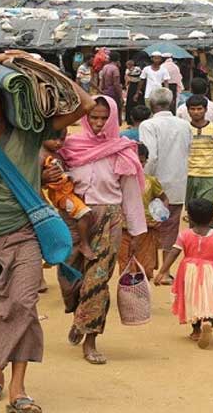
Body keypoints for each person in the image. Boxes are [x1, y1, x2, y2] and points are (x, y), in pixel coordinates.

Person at [0, 51, 93, 411]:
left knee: (22, 306)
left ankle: (18, 388)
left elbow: (85, 103)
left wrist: (41, 68)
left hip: (25, 233)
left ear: (4, 105)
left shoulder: (29, 134)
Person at [56, 95, 147, 365]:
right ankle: (79, 314)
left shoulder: (122, 150)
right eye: (93, 117)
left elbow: (130, 195)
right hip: (72, 216)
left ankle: (90, 340)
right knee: (69, 275)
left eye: (103, 119)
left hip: (109, 219)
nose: (97, 123)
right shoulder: (69, 146)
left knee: (97, 281)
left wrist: (136, 233)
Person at [154, 198, 213, 349]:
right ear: (212, 218)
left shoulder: (184, 235)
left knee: (192, 299)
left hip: (189, 271)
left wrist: (162, 271)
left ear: (189, 218)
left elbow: (173, 253)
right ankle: (209, 322)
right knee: (210, 299)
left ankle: (196, 330)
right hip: (211, 271)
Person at [139, 87, 193, 285]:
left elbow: (150, 156)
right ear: (170, 103)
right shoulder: (184, 125)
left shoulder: (148, 125)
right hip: (178, 181)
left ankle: (149, 268)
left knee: (149, 227)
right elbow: (189, 150)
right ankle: (165, 271)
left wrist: (146, 181)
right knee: (171, 228)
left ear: (151, 105)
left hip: (154, 183)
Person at [117, 143, 168, 280]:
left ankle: (142, 296)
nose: (136, 164)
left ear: (145, 162)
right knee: (125, 266)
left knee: (144, 266)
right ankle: (128, 298)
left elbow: (164, 199)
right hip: (123, 229)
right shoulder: (117, 181)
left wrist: (160, 217)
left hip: (146, 229)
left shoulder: (151, 182)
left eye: (140, 161)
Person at [40, 129, 93, 260]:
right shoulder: (40, 156)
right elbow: (34, 182)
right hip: (62, 197)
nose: (58, 143)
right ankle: (84, 244)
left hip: (68, 193)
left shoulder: (56, 154)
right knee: (85, 214)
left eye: (62, 139)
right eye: (54, 138)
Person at [99, 51, 122, 122]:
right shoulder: (115, 69)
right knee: (115, 110)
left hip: (105, 91)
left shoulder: (105, 67)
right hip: (113, 93)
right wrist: (120, 95)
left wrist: (101, 90)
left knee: (107, 109)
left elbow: (102, 80)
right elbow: (116, 84)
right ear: (118, 59)